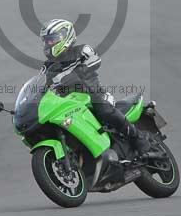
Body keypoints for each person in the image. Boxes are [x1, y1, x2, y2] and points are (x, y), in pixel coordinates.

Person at [39, 18, 151, 157]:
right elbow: (41, 85)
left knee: (103, 110)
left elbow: (95, 60)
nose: (47, 44)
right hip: (70, 102)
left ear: (65, 36)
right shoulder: (48, 67)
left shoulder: (82, 50)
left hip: (94, 95)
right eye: (45, 41)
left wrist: (77, 72)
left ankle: (138, 137)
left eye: (51, 40)